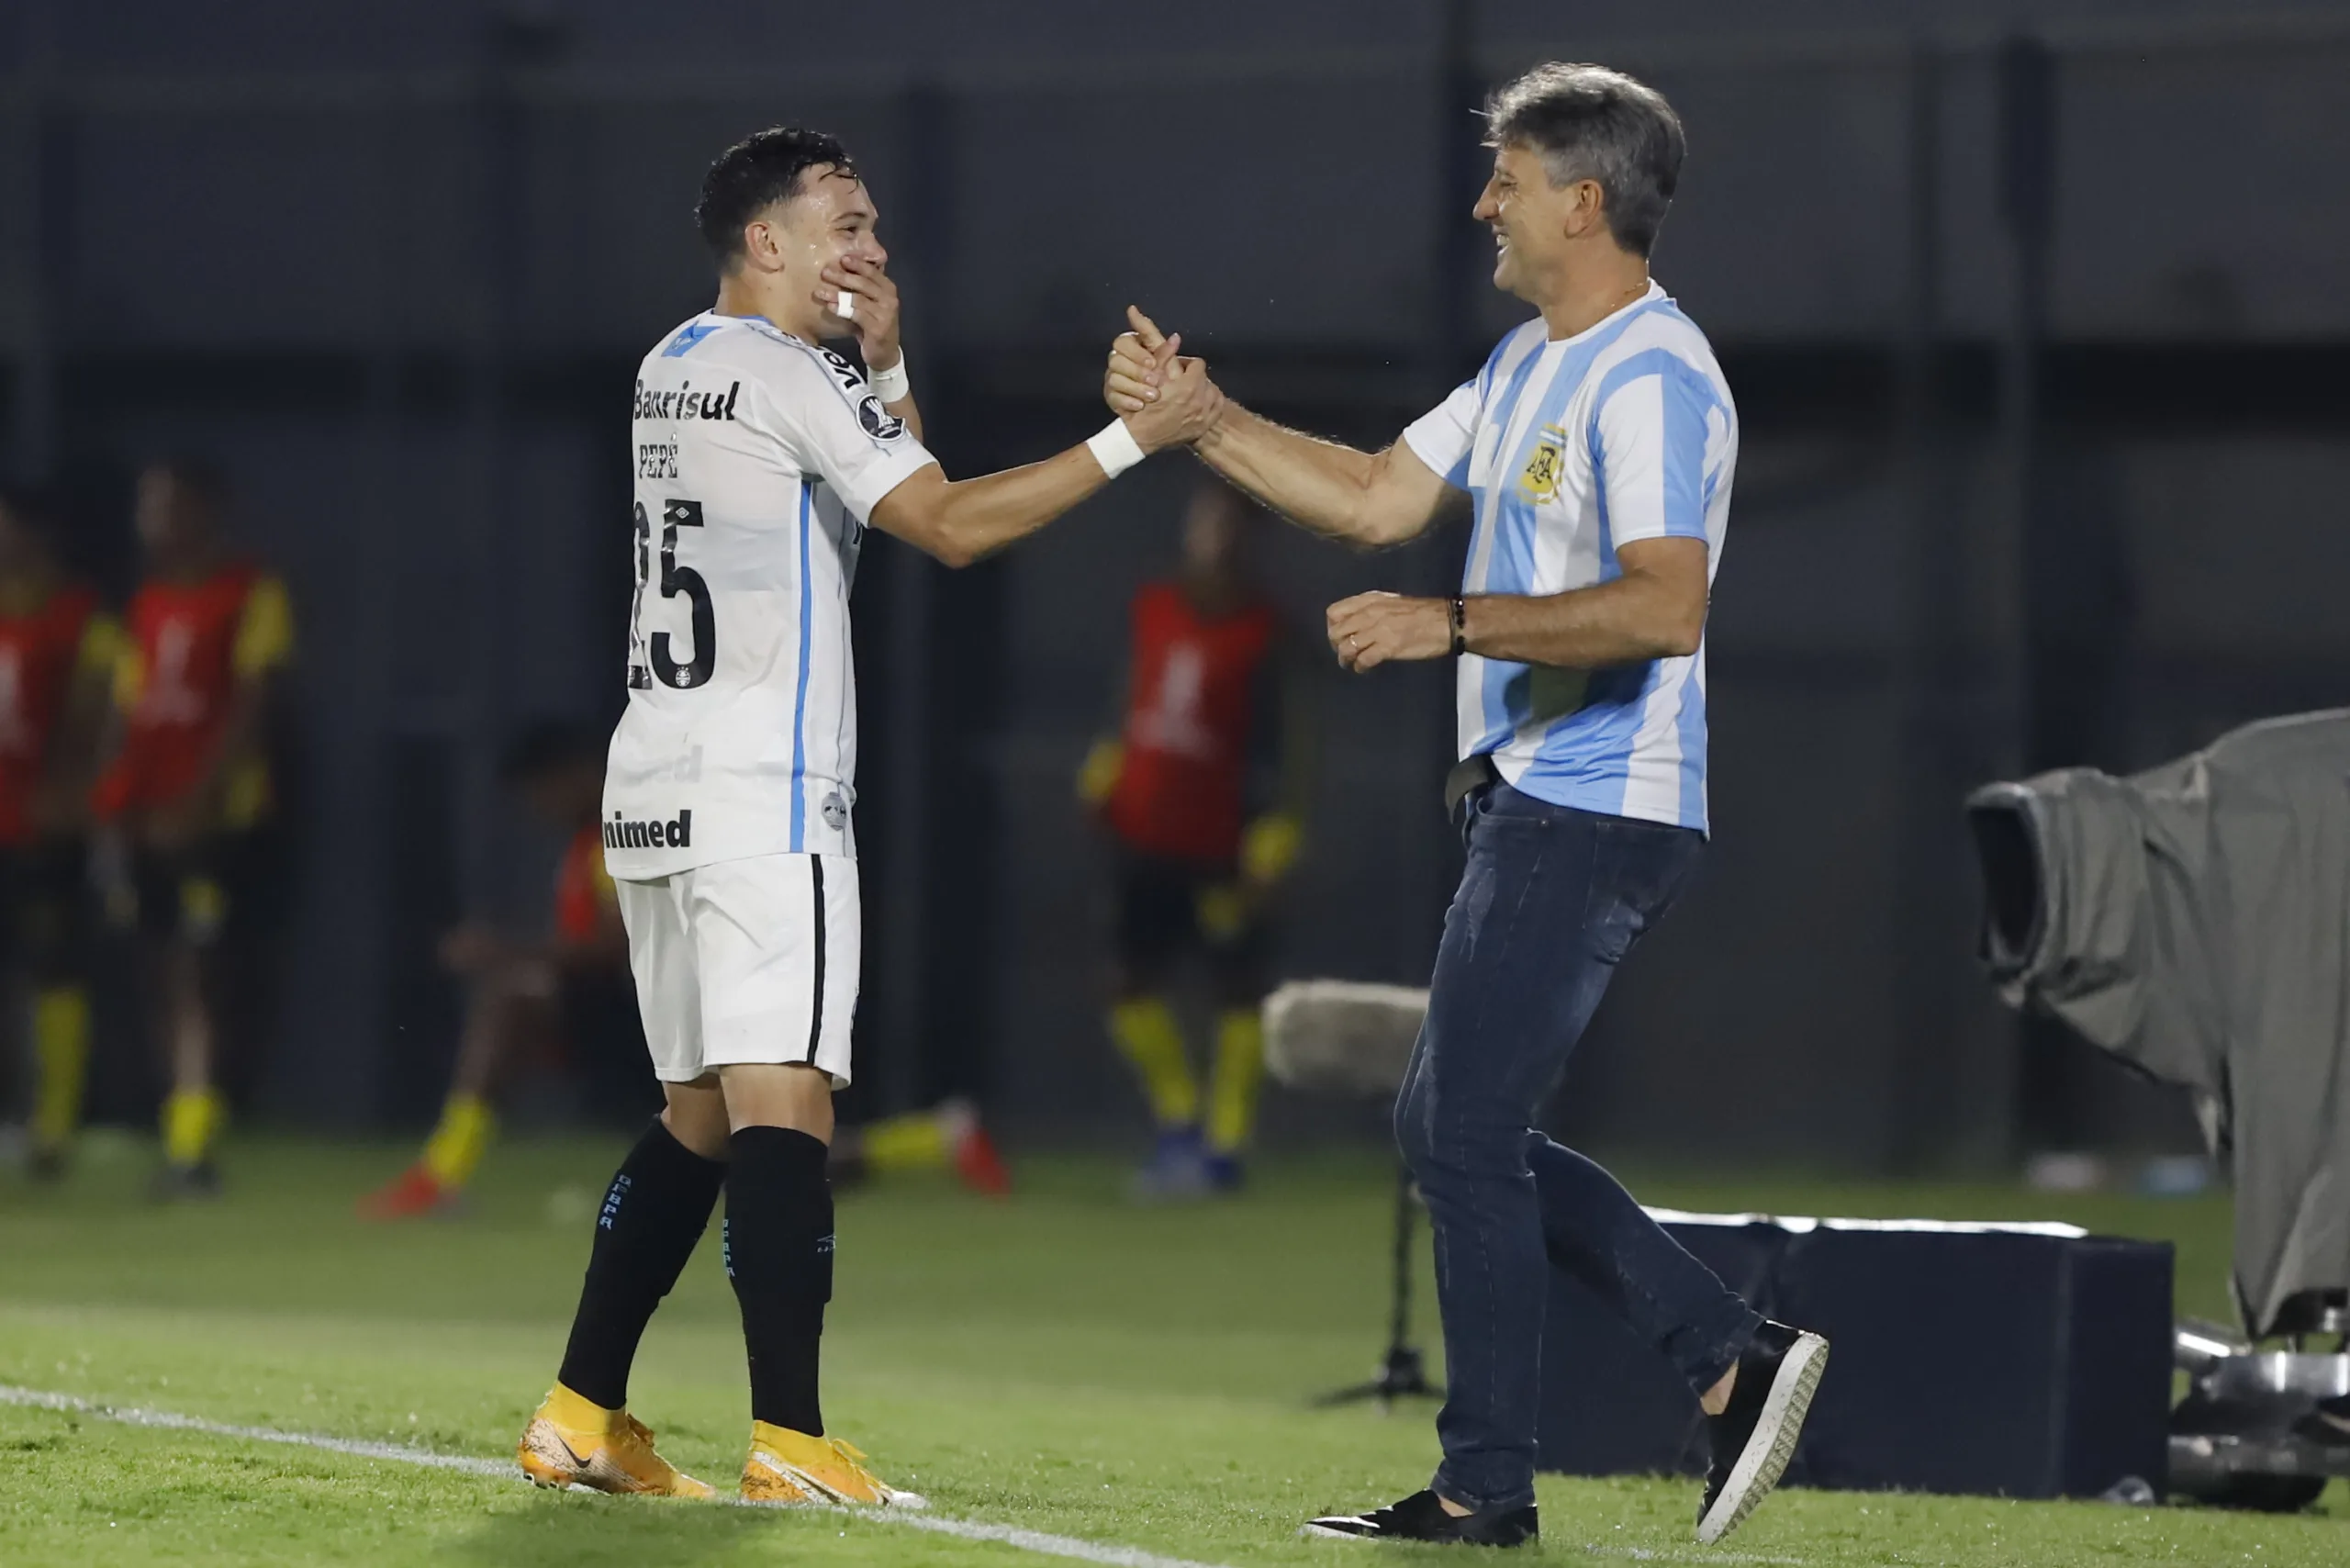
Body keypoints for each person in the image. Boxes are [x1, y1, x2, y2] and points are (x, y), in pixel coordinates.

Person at [1105, 62, 1825, 1549]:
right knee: (1456, 1130)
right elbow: (1374, 492)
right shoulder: (1527, 365)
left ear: (1585, 198)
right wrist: (1204, 419)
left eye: (1507, 176)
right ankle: (1696, 1368)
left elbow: (1665, 604)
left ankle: (1544, 1454)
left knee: (1463, 1134)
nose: (1482, 201)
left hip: (1601, 797)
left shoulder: (1653, 372)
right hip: (1537, 797)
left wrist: (1454, 623)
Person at [516, 126, 1217, 1507]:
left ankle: (580, 1412)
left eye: (879, 226)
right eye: (845, 222)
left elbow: (853, 489)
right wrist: (1139, 437)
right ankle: (793, 1442)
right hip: (766, 792)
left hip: (654, 788)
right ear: (764, 242)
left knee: (699, 1112)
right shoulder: (785, 372)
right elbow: (945, 525)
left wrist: (885, 366)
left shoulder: (678, 364)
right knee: (785, 1101)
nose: (873, 247)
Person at [1078, 480, 1304, 1196]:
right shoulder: (1156, 608)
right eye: (1203, 525)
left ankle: (1226, 1144)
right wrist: (1105, 767)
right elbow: (1131, 696)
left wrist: (1278, 832)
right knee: (1127, 984)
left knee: (1237, 991)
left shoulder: (1266, 632)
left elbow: (1289, 744)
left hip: (1219, 842)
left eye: (1226, 528)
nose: (1211, 540)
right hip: (1143, 829)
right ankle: (1180, 1122)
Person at [91, 458, 294, 1200]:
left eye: (171, 505)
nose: (157, 522)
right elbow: (128, 710)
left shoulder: (250, 592)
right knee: (160, 971)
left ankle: (195, 1141)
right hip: (146, 817)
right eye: (149, 507)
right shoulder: (144, 605)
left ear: (209, 510)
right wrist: (117, 802)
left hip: (219, 820)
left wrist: (198, 798)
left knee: (202, 975)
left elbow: (253, 699)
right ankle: (181, 1128)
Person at [360, 723, 653, 1220]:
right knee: (509, 1002)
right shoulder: (586, 840)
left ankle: (441, 1174)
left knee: (511, 999)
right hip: (617, 1014)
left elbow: (618, 947)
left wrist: (507, 951)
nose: (539, 808)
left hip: (650, 1017)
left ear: (576, 775)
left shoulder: (625, 830)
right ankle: (441, 1174)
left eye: (542, 792)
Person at [0, 486, 121, 1179]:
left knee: (52, 967)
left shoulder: (79, 618)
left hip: (42, 822)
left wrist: (73, 795)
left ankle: (54, 1123)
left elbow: (96, 714)